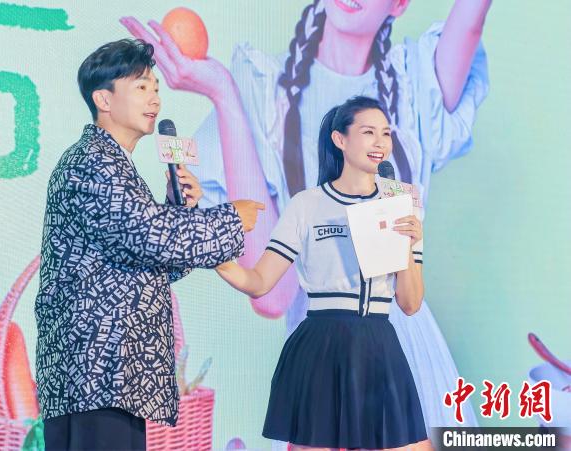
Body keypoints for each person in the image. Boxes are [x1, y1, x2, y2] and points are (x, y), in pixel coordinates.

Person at [121, 0, 490, 428]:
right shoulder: (266, 97)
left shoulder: (414, 83)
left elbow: (408, 299)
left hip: (403, 360)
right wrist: (224, 93)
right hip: (323, 364)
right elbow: (270, 293)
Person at [34, 38, 265, 450]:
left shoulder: (113, 164)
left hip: (106, 377)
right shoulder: (93, 161)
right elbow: (148, 234)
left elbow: (148, 258)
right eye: (141, 87)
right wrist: (231, 218)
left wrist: (178, 208)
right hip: (98, 372)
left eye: (156, 88)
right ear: (104, 99)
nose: (155, 98)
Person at [215, 96, 430, 450]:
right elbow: (260, 282)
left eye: (386, 133)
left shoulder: (403, 206)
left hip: (379, 345)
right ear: (340, 139)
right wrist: (215, 256)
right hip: (322, 346)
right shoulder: (308, 204)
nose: (380, 142)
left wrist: (407, 243)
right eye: (368, 132)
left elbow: (410, 303)